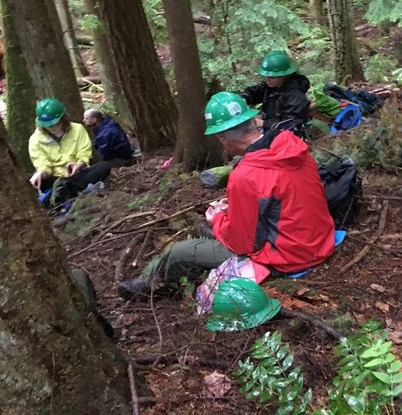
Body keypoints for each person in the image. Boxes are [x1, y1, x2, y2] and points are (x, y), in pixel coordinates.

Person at [118, 92, 334, 299]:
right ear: (254, 122)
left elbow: (244, 245)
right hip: (320, 240)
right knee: (207, 229)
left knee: (180, 251)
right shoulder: (292, 146)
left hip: (289, 257)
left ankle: (153, 285)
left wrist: (218, 218)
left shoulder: (245, 175)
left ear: (222, 138)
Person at [28, 98, 112, 208]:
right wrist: (41, 173)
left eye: (56, 123)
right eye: (48, 125)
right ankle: (71, 193)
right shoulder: (35, 140)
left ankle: (61, 197)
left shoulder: (77, 129)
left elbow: (84, 152)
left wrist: (80, 164)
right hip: (54, 179)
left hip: (77, 174)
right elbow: (42, 164)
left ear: (63, 118)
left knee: (104, 167)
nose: (53, 128)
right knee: (38, 181)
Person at [240, 50, 310, 136]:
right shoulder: (271, 87)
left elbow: (290, 127)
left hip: (285, 141)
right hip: (268, 131)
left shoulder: (296, 98)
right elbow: (253, 92)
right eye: (266, 76)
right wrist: (243, 99)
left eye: (271, 77)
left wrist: (263, 123)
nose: (267, 80)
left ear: (283, 76)